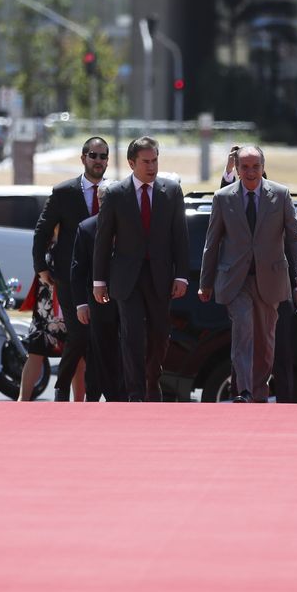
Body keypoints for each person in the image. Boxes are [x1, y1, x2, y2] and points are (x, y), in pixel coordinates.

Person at [198, 146, 297, 403]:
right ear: (236, 169)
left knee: (265, 341)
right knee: (243, 327)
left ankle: (259, 393)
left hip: (270, 280)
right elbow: (212, 242)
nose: (250, 172)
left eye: (255, 166)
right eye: (245, 167)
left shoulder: (280, 195)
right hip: (235, 281)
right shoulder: (223, 197)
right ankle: (244, 390)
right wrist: (205, 283)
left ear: (263, 166)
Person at [92, 136, 189, 402]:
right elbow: (103, 239)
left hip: (160, 277)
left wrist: (181, 274)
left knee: (159, 335)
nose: (152, 166)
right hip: (126, 279)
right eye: (146, 161)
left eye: (155, 160)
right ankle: (135, 394)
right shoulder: (115, 194)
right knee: (132, 335)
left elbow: (180, 236)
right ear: (131, 163)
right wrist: (98, 280)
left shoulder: (170, 191)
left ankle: (152, 380)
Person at [32, 136, 109, 401]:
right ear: (83, 158)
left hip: (103, 278)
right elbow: (42, 230)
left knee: (98, 338)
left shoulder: (116, 192)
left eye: (103, 156)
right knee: (78, 334)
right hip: (68, 276)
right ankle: (61, 388)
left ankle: (94, 394)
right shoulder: (64, 192)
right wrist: (41, 267)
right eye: (93, 155)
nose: (98, 161)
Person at [71, 180, 123, 401]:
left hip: (126, 299)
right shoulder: (87, 227)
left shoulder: (130, 225)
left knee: (124, 350)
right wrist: (81, 304)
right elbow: (78, 269)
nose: (106, 202)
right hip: (98, 302)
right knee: (100, 351)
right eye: (103, 198)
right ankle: (98, 396)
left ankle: (120, 395)